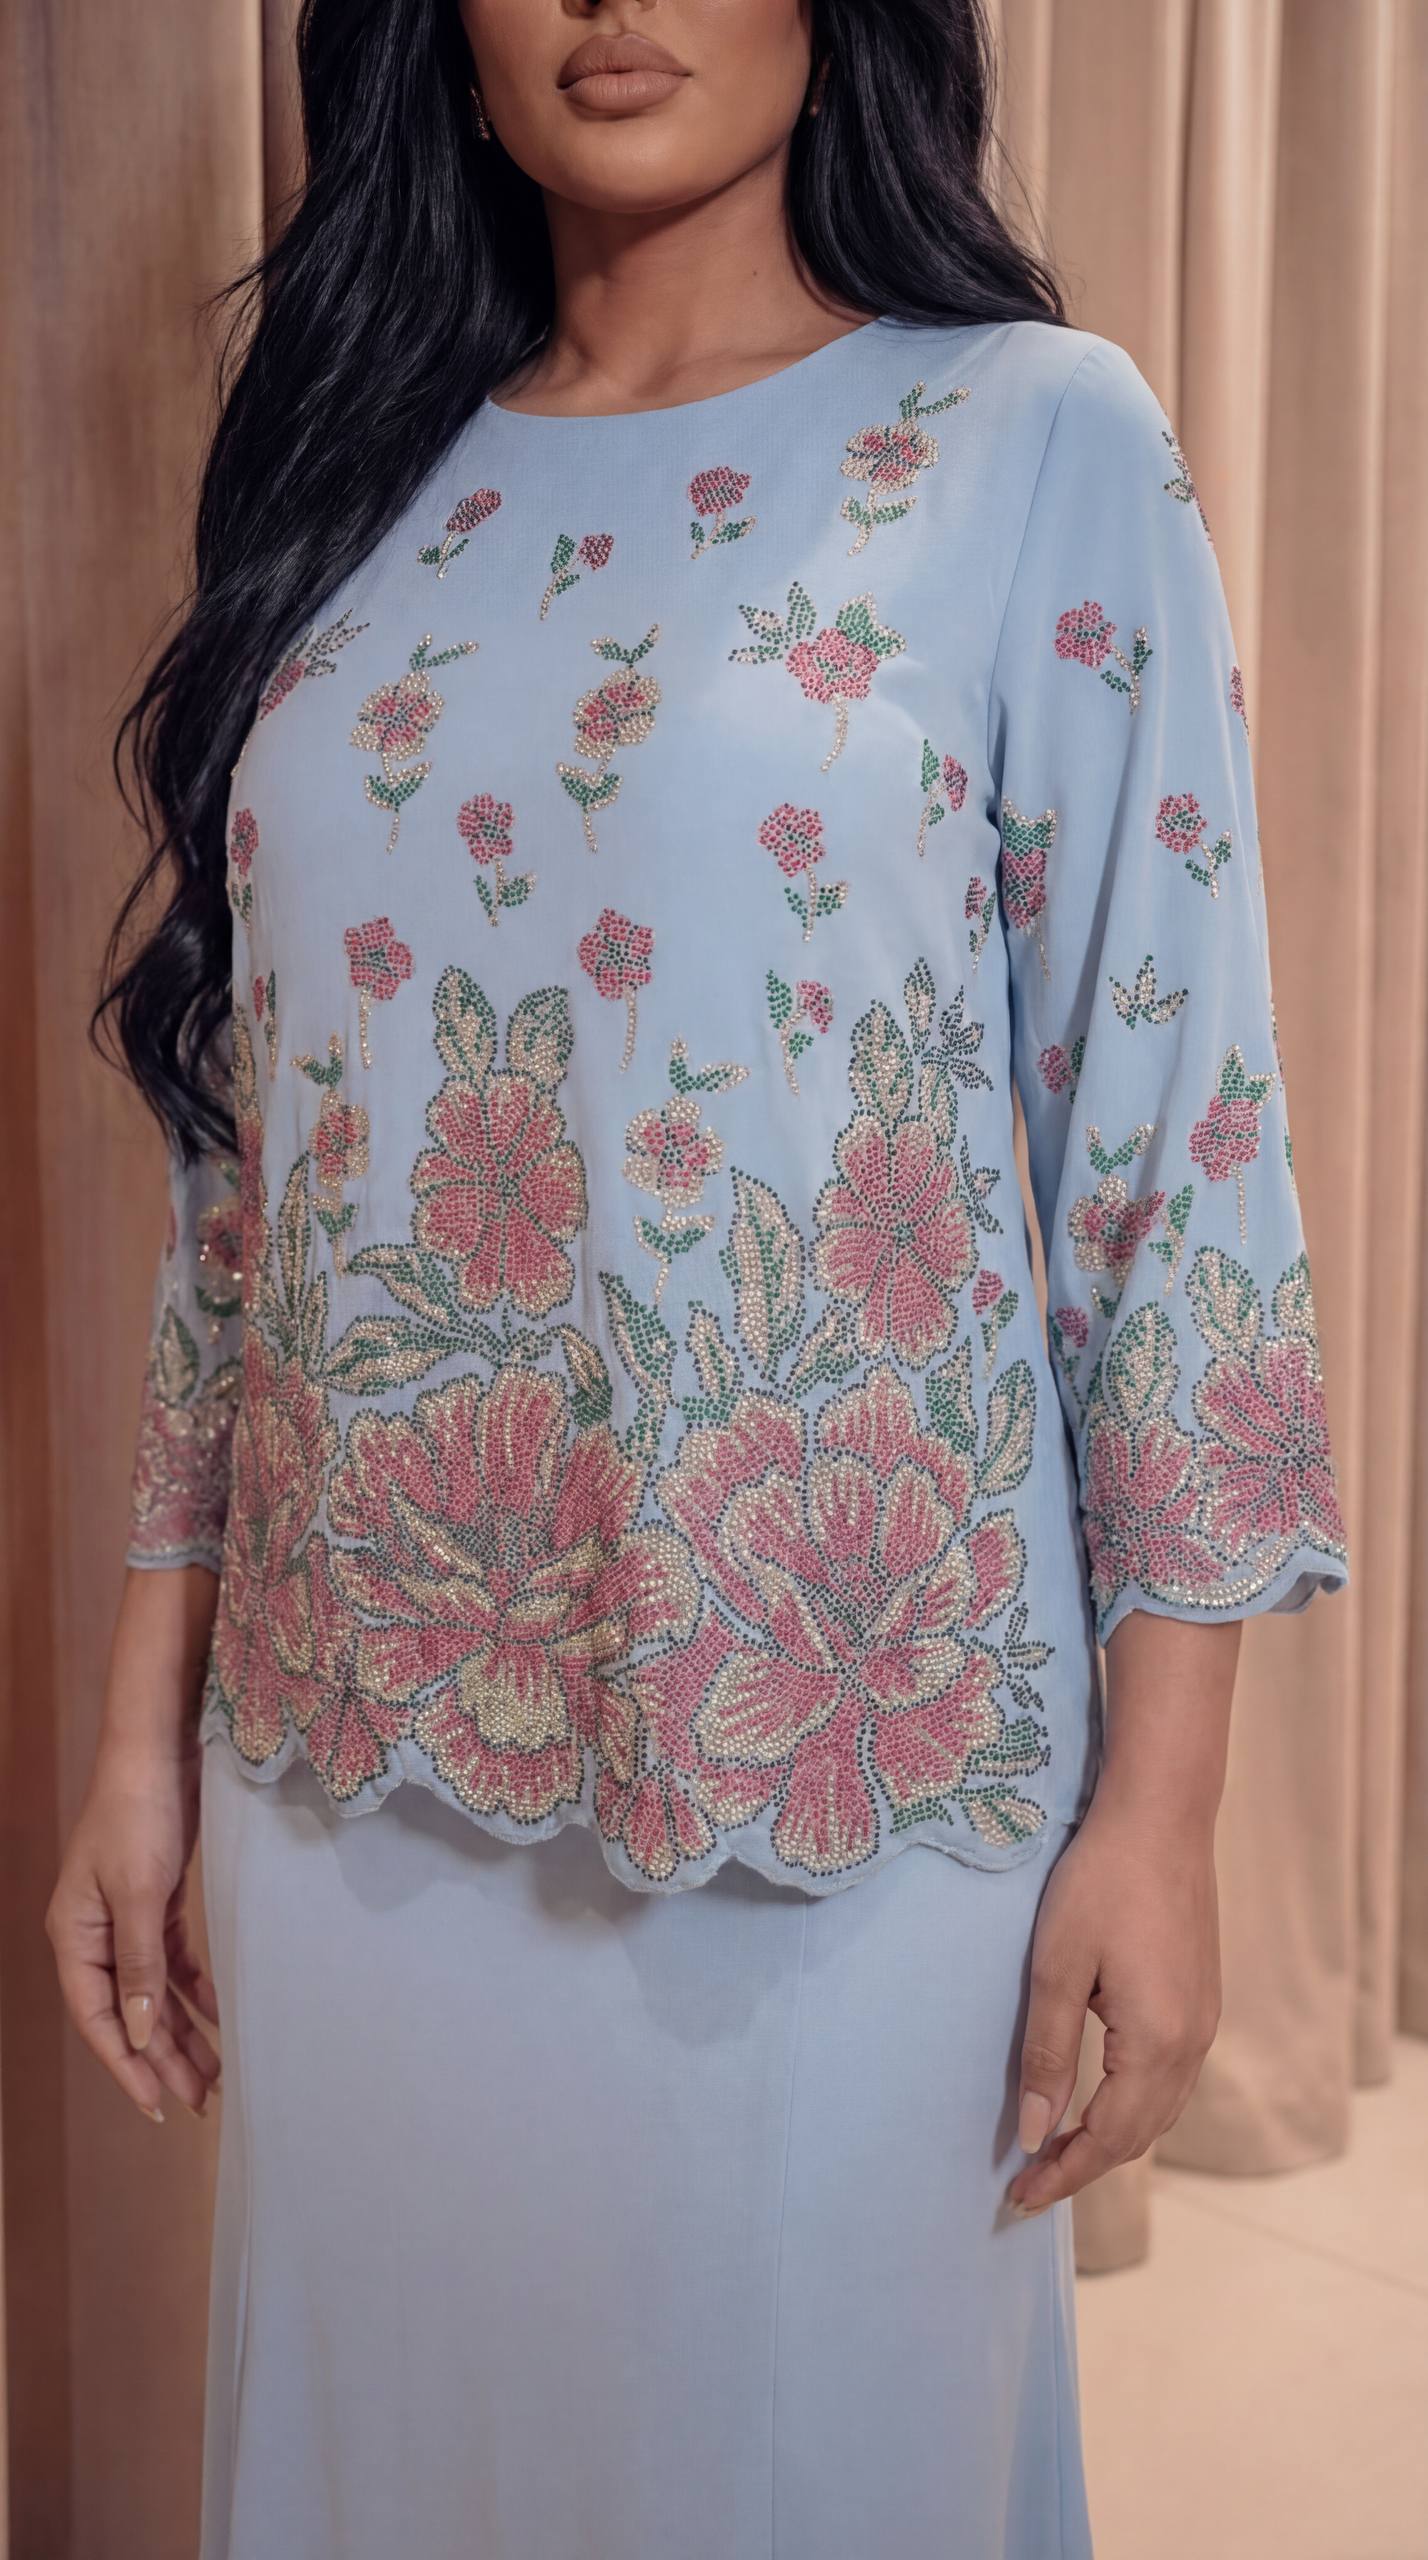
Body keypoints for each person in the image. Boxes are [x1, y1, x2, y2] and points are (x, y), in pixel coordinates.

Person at [46, 2, 1350, 2553]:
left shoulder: (1033, 439)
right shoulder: (347, 481)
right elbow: (249, 1179)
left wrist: (1166, 1811)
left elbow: (1174, 1148)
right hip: (347, 1776)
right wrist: (140, 1731)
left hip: (844, 1770)